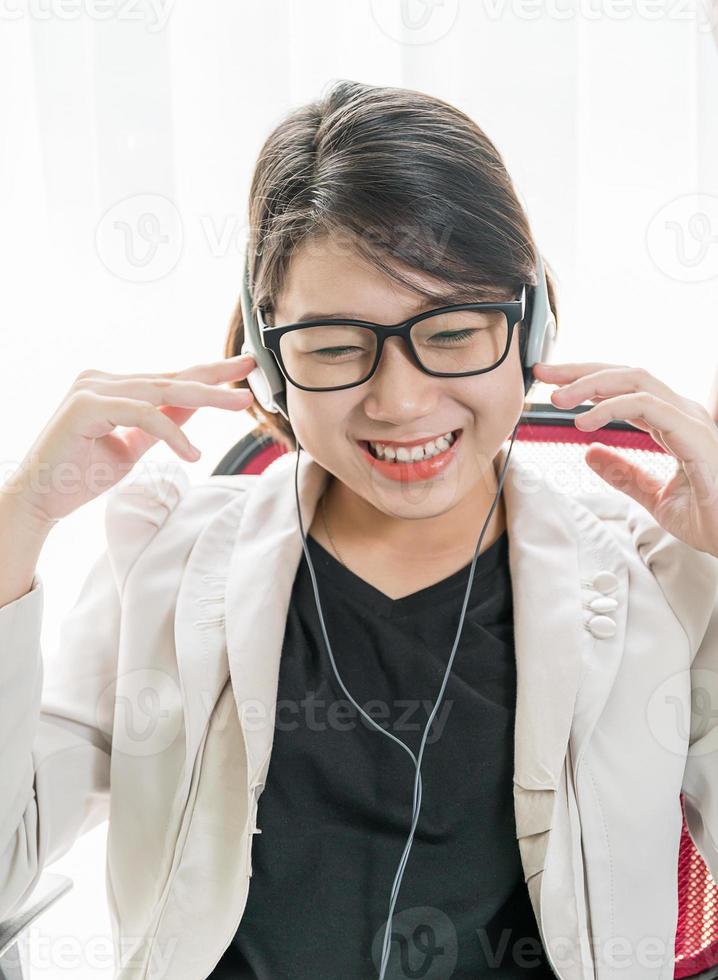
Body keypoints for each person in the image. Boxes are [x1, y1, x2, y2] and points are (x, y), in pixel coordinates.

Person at [1, 79, 718, 980]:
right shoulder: (164, 557)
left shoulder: (658, 580)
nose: (400, 400)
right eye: (336, 347)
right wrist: (15, 522)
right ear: (270, 360)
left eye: (454, 331)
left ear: (528, 327)